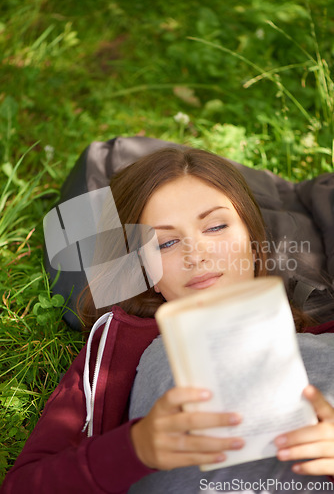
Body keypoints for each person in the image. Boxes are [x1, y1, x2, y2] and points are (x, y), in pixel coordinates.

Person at [1, 147, 334, 494]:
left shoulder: (325, 334)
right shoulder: (122, 352)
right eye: (167, 242)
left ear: (253, 241)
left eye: (216, 226)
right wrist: (135, 449)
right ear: (148, 274)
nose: (196, 253)